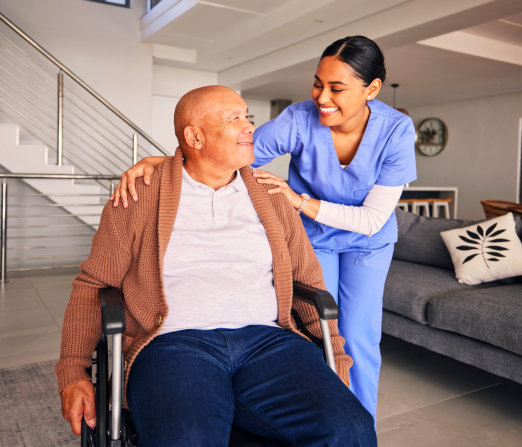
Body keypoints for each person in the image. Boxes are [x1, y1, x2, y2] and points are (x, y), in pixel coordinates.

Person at [111, 36, 417, 422]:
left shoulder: (397, 130)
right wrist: (163, 159)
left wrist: (299, 201)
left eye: (337, 88)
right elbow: (229, 149)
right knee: (323, 329)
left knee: (360, 336)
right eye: (318, 83)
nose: (323, 97)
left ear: (371, 89)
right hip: (314, 238)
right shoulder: (299, 118)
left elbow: (372, 219)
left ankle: (358, 424)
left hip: (368, 242)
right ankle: (317, 410)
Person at [56, 85, 376, 446]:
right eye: (234, 118)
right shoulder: (140, 194)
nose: (250, 127)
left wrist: (335, 353)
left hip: (269, 342)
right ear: (194, 136)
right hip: (173, 344)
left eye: (248, 117)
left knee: (351, 429)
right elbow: (93, 284)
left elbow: (308, 279)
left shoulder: (272, 195)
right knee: (188, 438)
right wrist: (73, 369)